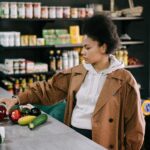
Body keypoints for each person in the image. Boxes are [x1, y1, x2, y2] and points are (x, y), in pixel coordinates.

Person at [0, 14, 145, 150]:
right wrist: (18, 98)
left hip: (101, 142)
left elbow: (135, 129)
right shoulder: (77, 72)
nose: (83, 52)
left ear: (104, 47)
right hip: (72, 137)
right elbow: (47, 90)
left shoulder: (125, 80)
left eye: (87, 47)